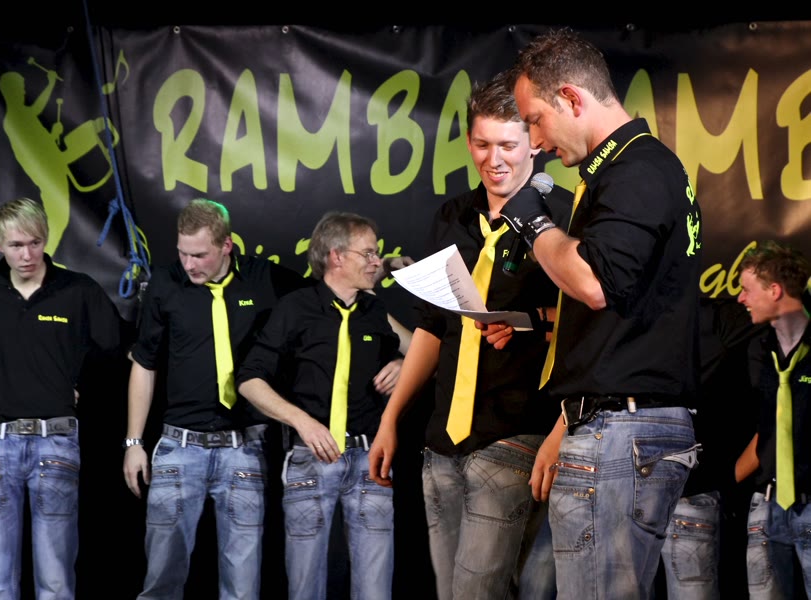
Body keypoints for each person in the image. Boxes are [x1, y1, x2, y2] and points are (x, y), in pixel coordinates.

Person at [502, 27, 703, 599]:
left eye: (536, 119)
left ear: (571, 98)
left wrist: (534, 222)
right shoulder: (636, 169)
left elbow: (593, 283)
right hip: (615, 424)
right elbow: (616, 333)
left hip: (621, 433)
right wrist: (567, 423)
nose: (535, 141)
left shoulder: (636, 170)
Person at [367, 69, 570, 600]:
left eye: (507, 145)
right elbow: (432, 327)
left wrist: (531, 322)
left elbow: (593, 320)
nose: (494, 159)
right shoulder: (453, 216)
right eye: (482, 144)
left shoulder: (562, 216)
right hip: (441, 443)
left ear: (535, 143)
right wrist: (391, 419)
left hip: (516, 432)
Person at [122, 198, 308, 600]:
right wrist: (134, 442)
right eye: (183, 253)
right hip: (179, 447)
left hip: (245, 450)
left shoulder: (264, 279)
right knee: (160, 580)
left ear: (226, 246)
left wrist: (396, 352)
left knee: (242, 586)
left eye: (199, 255)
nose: (189, 264)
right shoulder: (165, 283)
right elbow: (144, 364)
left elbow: (331, 296)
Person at [0, 197, 122, 599]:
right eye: (16, 245)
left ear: (46, 239)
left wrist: (83, 384)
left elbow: (116, 350)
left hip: (55, 441)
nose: (27, 255)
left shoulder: (78, 290)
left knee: (55, 578)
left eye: (34, 243)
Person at [237, 211, 403, 600]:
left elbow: (426, 355)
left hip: (370, 458)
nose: (376, 262)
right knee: (305, 584)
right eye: (368, 253)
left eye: (376, 253)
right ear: (336, 256)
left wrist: (401, 364)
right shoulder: (296, 307)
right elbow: (249, 380)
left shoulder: (374, 310)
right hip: (312, 457)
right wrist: (303, 422)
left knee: (376, 588)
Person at [656, 297, 765, 600]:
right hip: (642, 490)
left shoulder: (716, 318)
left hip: (687, 491)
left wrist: (727, 479)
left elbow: (776, 420)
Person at [734, 240, 811, 600]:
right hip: (767, 507)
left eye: (747, 290)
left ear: (775, 290)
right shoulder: (759, 350)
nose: (740, 299)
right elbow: (768, 430)